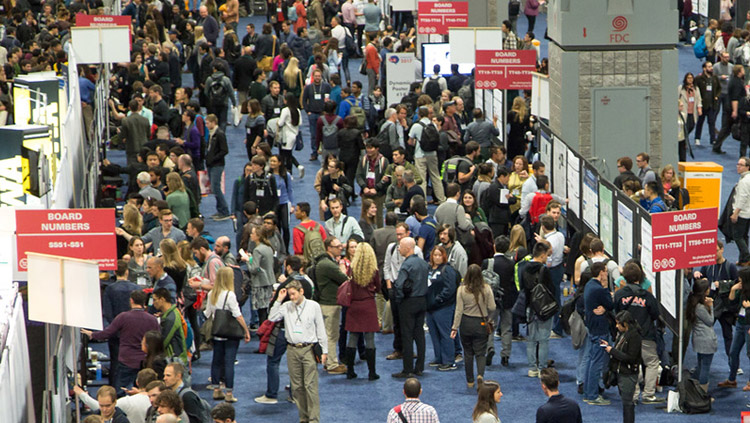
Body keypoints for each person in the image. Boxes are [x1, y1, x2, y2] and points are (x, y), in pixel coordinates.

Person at [268, 280, 328, 423]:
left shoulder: (314, 306)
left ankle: (314, 420)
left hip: (309, 349)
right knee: (296, 387)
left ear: (301, 292)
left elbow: (321, 329)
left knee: (310, 386)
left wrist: (324, 351)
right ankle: (303, 417)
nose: (292, 297)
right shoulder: (286, 306)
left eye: (293, 294)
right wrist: (279, 299)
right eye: (290, 295)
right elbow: (272, 317)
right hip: (292, 350)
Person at [81, 291, 159, 394]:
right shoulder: (152, 320)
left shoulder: (123, 317)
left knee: (121, 391)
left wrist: (92, 334)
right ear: (144, 302)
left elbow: (108, 333)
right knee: (143, 391)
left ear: (131, 301)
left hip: (127, 360)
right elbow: (157, 339)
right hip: (145, 361)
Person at [614, 262, 662, 404]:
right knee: (652, 363)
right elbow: (655, 314)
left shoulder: (619, 294)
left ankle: (632, 395)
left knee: (630, 364)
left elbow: (616, 312)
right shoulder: (647, 296)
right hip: (645, 335)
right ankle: (648, 394)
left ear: (624, 277)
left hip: (626, 336)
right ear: (640, 277)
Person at [204, 267, 251, 402]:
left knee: (216, 361)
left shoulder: (211, 293)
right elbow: (237, 315)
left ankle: (216, 390)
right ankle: (229, 393)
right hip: (230, 334)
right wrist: (246, 331)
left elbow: (207, 313)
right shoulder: (230, 295)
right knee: (229, 362)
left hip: (217, 332)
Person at [451, 264, 496, 388]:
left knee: (468, 353)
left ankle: (470, 381)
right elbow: (492, 307)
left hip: (466, 323)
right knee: (480, 353)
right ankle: (480, 374)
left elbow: (458, 311)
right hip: (481, 323)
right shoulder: (487, 288)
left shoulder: (461, 289)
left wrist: (455, 327)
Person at [392, 236, 430, 378]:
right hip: (422, 301)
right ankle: (419, 367)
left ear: (407, 248)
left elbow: (399, 285)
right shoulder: (423, 263)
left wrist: (399, 299)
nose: (398, 248)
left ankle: (407, 369)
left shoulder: (406, 265)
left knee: (407, 336)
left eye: (400, 246)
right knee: (419, 335)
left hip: (408, 303)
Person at [343, 242, 381, 380]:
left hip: (354, 305)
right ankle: (372, 372)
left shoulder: (351, 270)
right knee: (369, 339)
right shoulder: (374, 271)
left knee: (352, 338)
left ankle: (350, 371)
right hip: (369, 305)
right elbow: (378, 287)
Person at [314, 236, 349, 374]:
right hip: (330, 305)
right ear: (329, 248)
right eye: (338, 246)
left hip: (328, 303)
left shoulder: (324, 262)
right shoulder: (328, 265)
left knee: (330, 334)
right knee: (331, 335)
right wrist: (342, 268)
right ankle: (332, 364)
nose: (341, 248)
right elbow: (345, 279)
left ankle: (329, 362)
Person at [102, 260, 140, 386]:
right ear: (127, 272)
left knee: (115, 363)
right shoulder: (136, 288)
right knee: (136, 362)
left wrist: (115, 328)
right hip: (134, 333)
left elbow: (107, 313)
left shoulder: (110, 289)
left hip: (115, 333)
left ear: (114, 272)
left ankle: (114, 392)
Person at [600, 311, 641, 423]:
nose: (616, 326)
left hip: (628, 374)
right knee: (625, 401)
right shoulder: (623, 334)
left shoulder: (634, 337)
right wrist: (609, 347)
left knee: (627, 403)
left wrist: (611, 350)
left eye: (618, 324)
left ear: (626, 324)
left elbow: (630, 358)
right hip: (620, 372)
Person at [582, 261, 614, 405]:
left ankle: (588, 391)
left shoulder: (589, 285)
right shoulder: (600, 289)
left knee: (590, 359)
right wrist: (606, 287)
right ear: (601, 272)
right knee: (596, 362)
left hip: (591, 326)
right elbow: (610, 304)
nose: (607, 274)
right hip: (600, 329)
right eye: (605, 271)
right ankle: (593, 396)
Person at [522, 242, 555, 378]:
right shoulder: (544, 270)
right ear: (542, 256)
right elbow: (550, 289)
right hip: (543, 309)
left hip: (530, 307)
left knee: (531, 339)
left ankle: (532, 368)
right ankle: (542, 369)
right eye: (546, 256)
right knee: (543, 340)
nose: (547, 258)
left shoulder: (524, 268)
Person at [74, 369, 156, 423]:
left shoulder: (122, 420)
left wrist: (82, 394)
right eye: (101, 405)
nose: (104, 409)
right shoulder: (93, 417)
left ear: (115, 403)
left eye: (108, 406)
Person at [425, 245, 458, 371]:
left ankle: (449, 360)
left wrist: (437, 300)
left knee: (445, 334)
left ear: (444, 256)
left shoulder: (447, 270)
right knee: (434, 334)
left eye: (439, 255)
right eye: (435, 255)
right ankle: (439, 358)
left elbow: (449, 289)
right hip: (430, 308)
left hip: (443, 307)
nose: (437, 257)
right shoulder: (428, 269)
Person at [719, 267, 750, 389]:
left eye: (741, 279)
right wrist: (733, 289)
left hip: (748, 326)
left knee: (749, 354)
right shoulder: (742, 289)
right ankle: (732, 379)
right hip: (740, 324)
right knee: (733, 352)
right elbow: (731, 303)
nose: (739, 281)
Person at [685, 278, 717, 394]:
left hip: (698, 339)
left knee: (700, 365)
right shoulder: (701, 307)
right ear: (705, 291)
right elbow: (710, 321)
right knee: (705, 367)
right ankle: (702, 394)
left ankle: (693, 388)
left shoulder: (693, 303)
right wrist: (711, 306)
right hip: (706, 340)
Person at [244, 225, 276, 323]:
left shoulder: (257, 250)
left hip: (260, 284)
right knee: (266, 310)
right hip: (269, 281)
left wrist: (247, 260)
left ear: (258, 236)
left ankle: (263, 333)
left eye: (253, 233)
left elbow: (254, 269)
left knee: (261, 311)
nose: (251, 235)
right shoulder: (269, 247)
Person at [204, 114, 230, 220]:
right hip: (211, 164)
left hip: (217, 165)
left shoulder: (219, 134)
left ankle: (224, 211)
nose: (206, 125)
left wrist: (213, 158)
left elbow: (225, 150)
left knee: (216, 188)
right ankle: (220, 210)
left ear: (214, 122)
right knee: (214, 188)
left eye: (208, 123)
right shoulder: (211, 133)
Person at [152, 288, 188, 365]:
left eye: (155, 300)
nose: (153, 303)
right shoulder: (173, 312)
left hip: (176, 360)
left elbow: (164, 341)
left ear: (162, 299)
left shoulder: (170, 319)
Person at [732, 157, 750, 267]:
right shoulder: (747, 178)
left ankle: (747, 256)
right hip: (748, 212)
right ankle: (743, 260)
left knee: (738, 237)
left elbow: (742, 198)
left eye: (741, 165)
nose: (738, 166)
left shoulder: (744, 181)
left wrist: (735, 213)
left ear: (747, 167)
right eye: (737, 164)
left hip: (743, 213)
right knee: (744, 236)